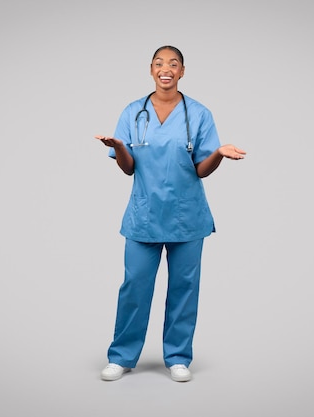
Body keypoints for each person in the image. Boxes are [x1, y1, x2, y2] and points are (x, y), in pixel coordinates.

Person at [94, 45, 246, 382]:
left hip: (187, 216)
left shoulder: (199, 114)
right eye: (160, 63)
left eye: (173, 64)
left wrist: (218, 153)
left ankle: (177, 357)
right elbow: (128, 168)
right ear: (151, 69)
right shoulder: (133, 112)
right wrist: (119, 147)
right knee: (134, 287)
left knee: (184, 289)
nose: (166, 69)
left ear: (182, 71)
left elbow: (202, 169)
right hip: (144, 215)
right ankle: (121, 357)